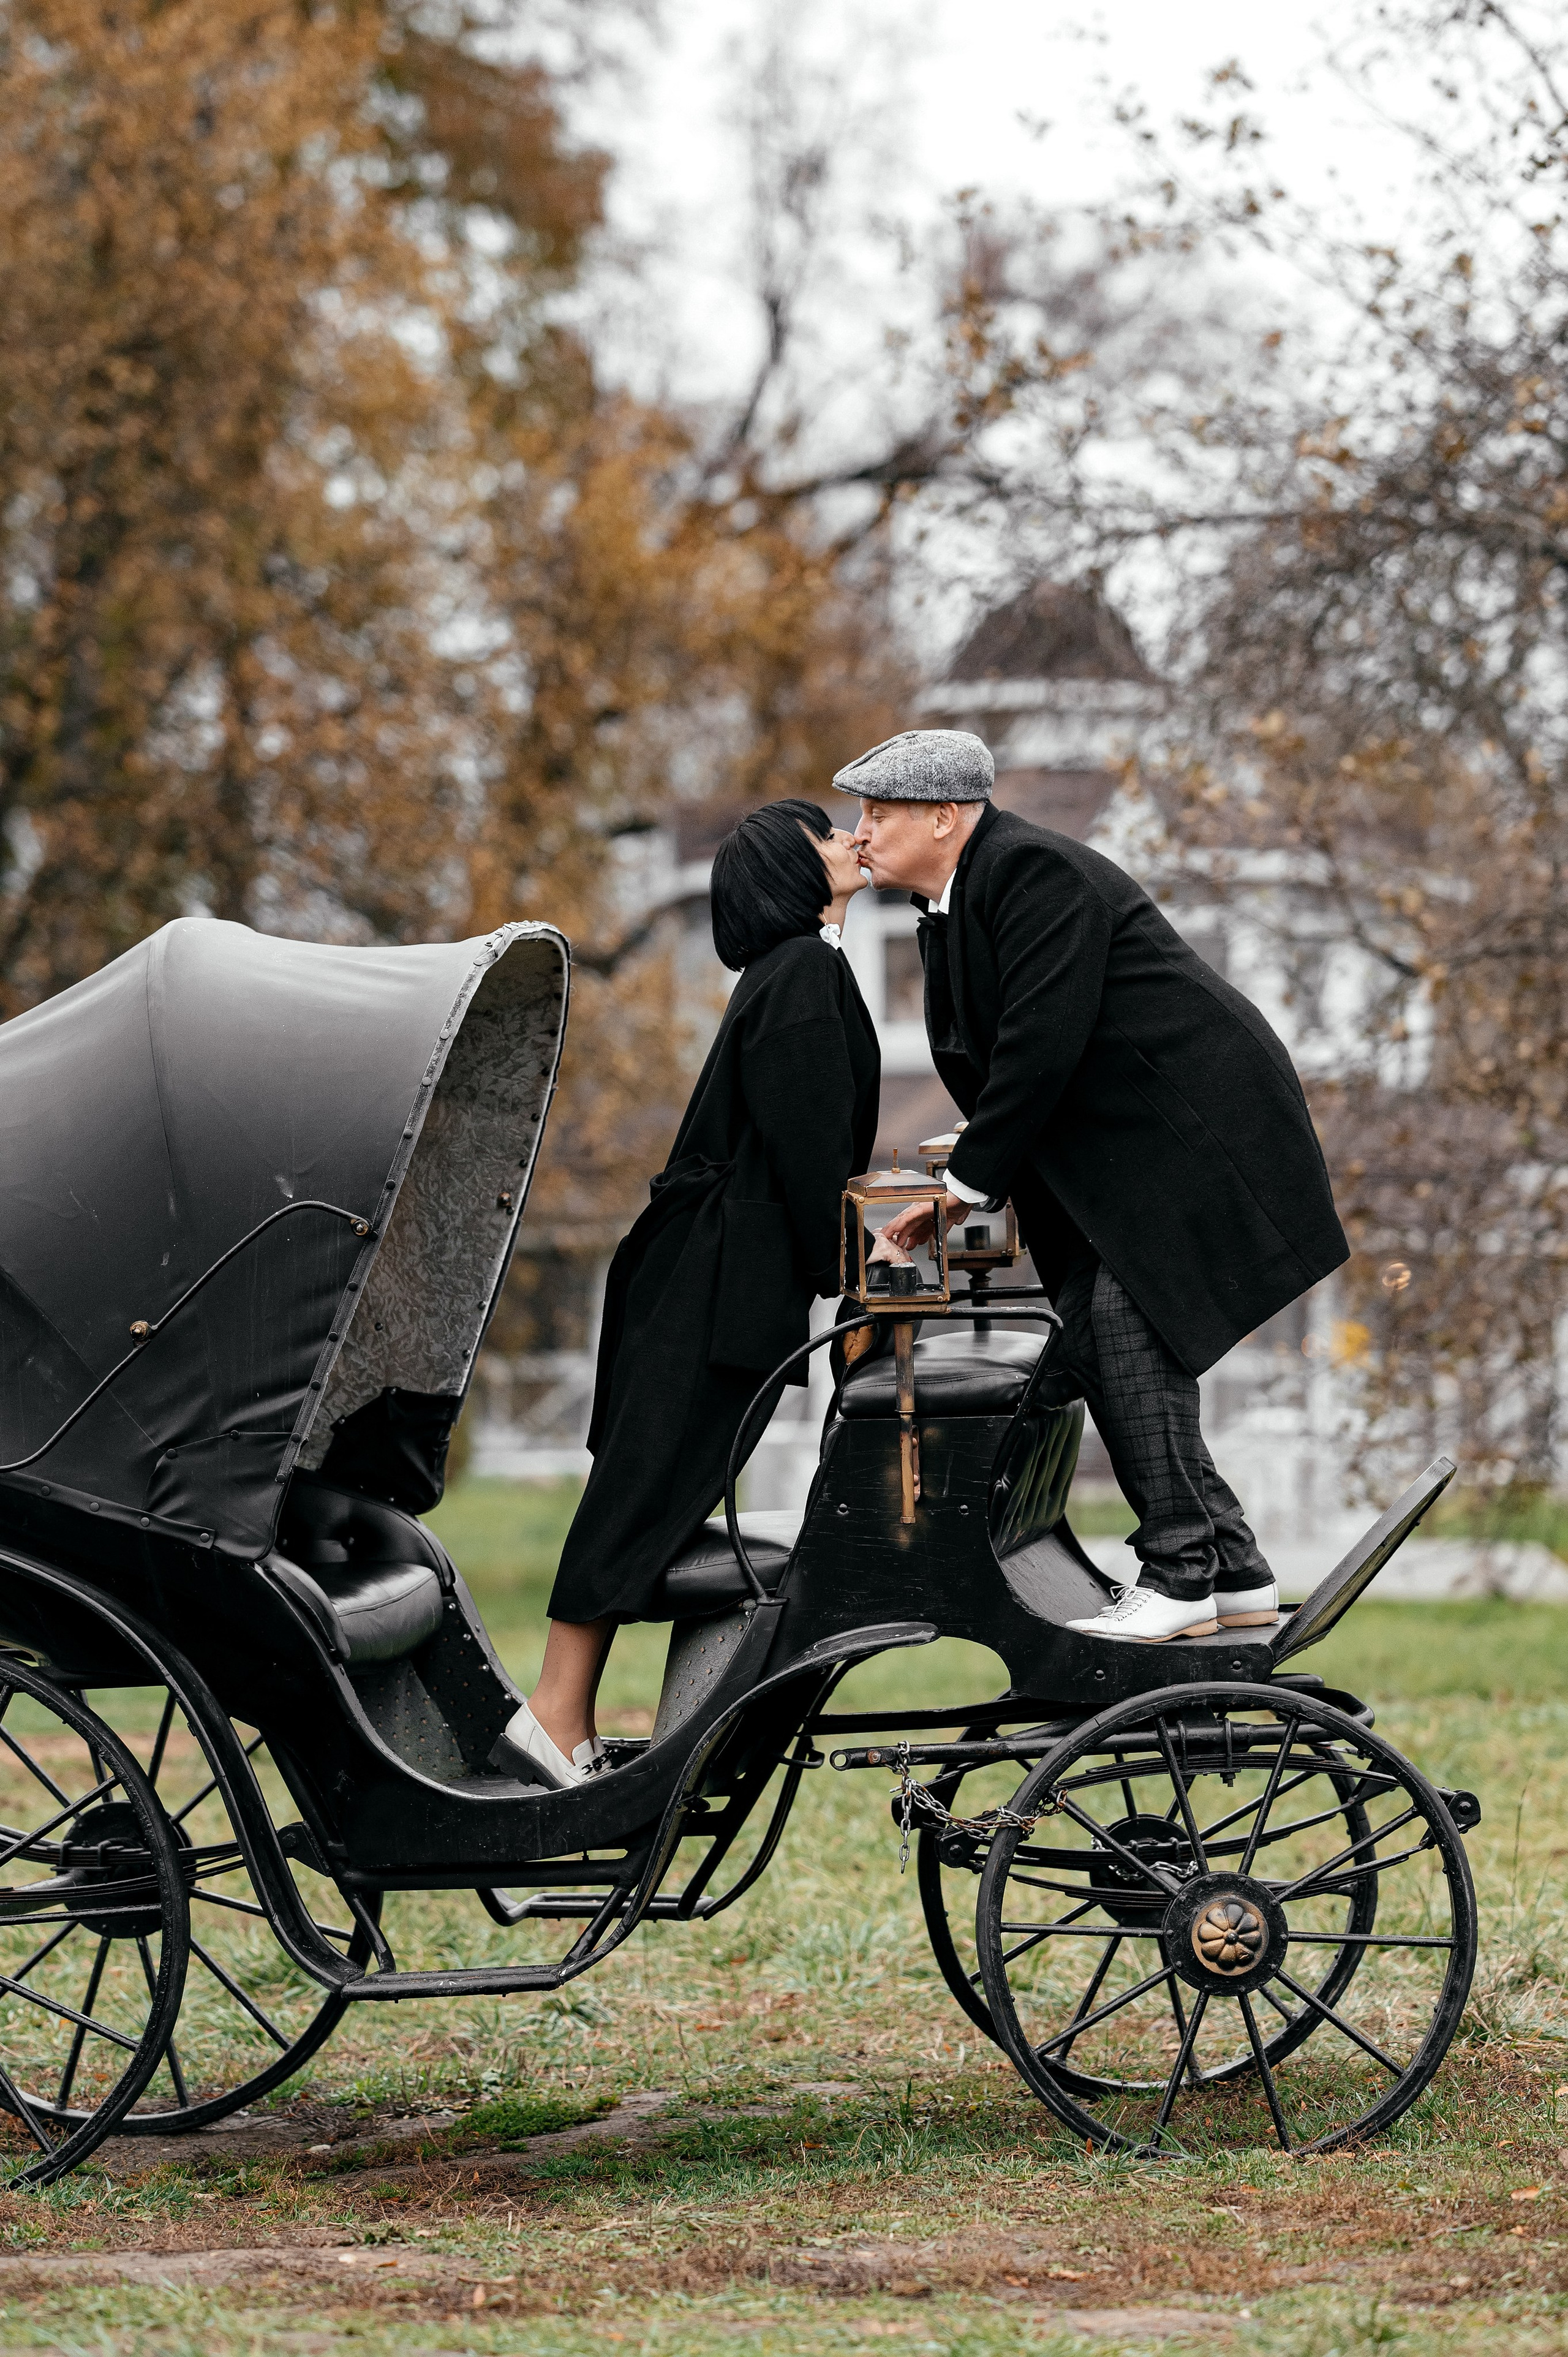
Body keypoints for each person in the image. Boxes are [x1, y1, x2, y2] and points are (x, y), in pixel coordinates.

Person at [840, 726, 1349, 1644]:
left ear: (945, 819)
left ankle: (1181, 1572)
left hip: (1194, 1138)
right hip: (1128, 1152)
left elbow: (1042, 1043)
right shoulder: (963, 900)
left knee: (1120, 1324)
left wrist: (963, 1185)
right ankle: (1232, 1572)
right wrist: (977, 1149)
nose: (861, 833)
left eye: (879, 814)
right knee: (1109, 1333)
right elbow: (1013, 1062)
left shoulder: (1033, 873)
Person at [492, 800, 880, 1787]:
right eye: (829, 835)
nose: (852, 841)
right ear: (793, 875)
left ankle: (563, 1718)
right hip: (709, 1285)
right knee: (643, 1494)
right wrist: (854, 1286)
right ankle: (552, 1715)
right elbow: (807, 1161)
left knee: (649, 1490)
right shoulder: (801, 973)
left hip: (706, 1275)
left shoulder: (795, 971)